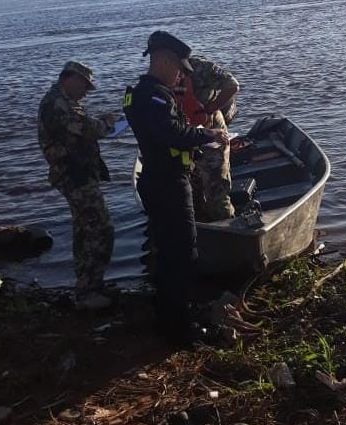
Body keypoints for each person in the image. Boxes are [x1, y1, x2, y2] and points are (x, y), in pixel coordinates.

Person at [123, 31, 229, 343]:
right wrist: (208, 135)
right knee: (183, 253)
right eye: (179, 67)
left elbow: (167, 132)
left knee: (169, 252)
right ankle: (180, 329)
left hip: (157, 179)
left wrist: (193, 135)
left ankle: (170, 317)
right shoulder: (154, 96)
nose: (181, 74)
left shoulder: (139, 94)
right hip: (168, 182)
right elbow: (172, 133)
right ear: (165, 60)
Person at [38, 61, 115, 309]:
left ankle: (91, 285)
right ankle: (87, 291)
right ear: (69, 78)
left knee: (89, 228)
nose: (86, 92)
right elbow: (85, 127)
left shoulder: (64, 102)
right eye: (85, 85)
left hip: (80, 173)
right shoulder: (55, 103)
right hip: (74, 175)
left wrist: (103, 123)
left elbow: (83, 126)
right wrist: (107, 123)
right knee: (96, 227)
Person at [179, 56, 240, 221]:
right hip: (185, 133)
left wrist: (211, 108)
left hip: (211, 129)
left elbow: (232, 85)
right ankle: (202, 226)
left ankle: (228, 228)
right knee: (193, 187)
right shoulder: (161, 75)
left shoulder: (200, 67)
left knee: (217, 186)